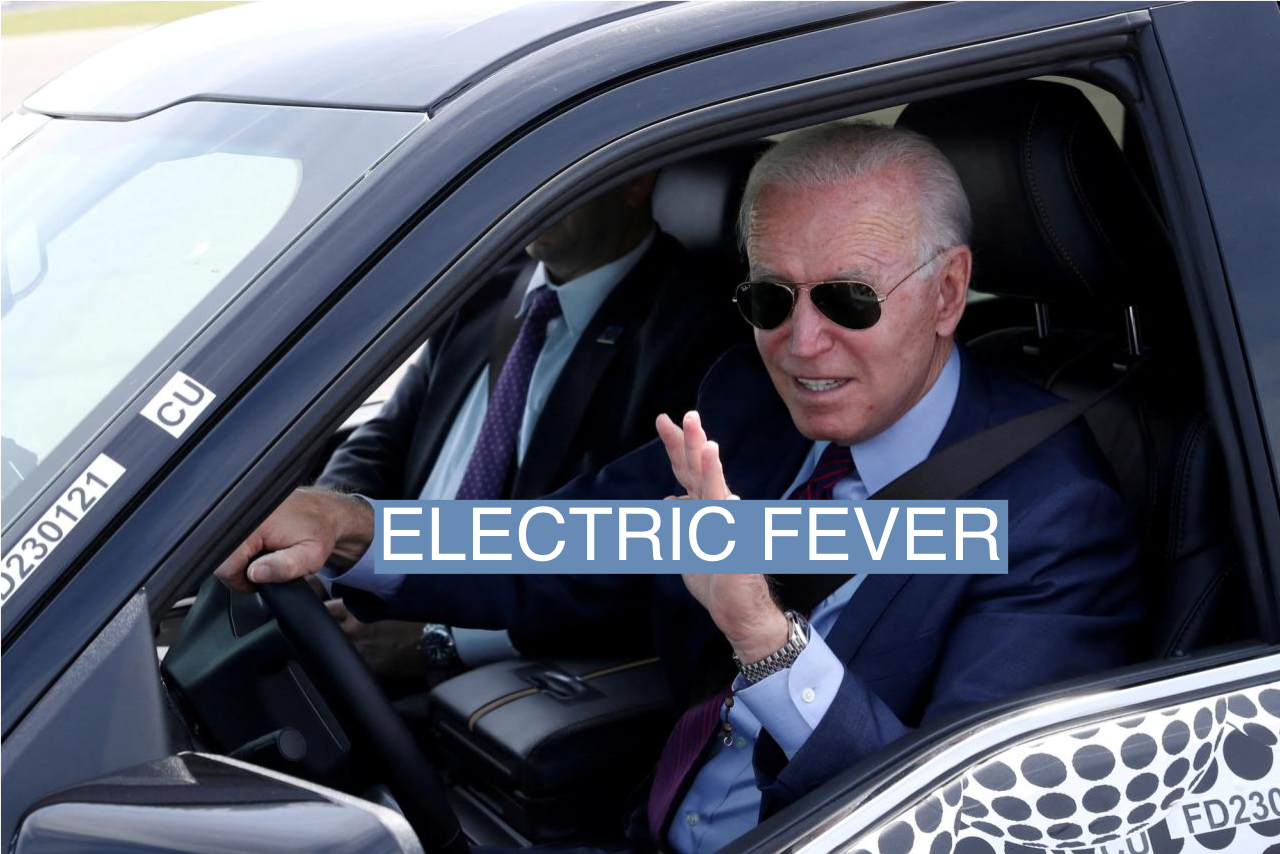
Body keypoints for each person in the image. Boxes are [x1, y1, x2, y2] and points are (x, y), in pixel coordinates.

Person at [217, 122, 1141, 852]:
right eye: (771, 300)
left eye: (848, 300)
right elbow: (564, 545)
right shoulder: (749, 405)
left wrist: (762, 636)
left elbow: (967, 825)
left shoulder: (1055, 517)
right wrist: (350, 525)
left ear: (947, 295)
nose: (803, 345)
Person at [314, 173, 743, 684]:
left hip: (486, 671)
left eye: (562, 169)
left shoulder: (698, 336)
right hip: (360, 592)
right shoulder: (484, 282)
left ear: (633, 182)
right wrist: (328, 535)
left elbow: (624, 551)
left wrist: (440, 640)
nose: (534, 187)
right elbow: (382, 438)